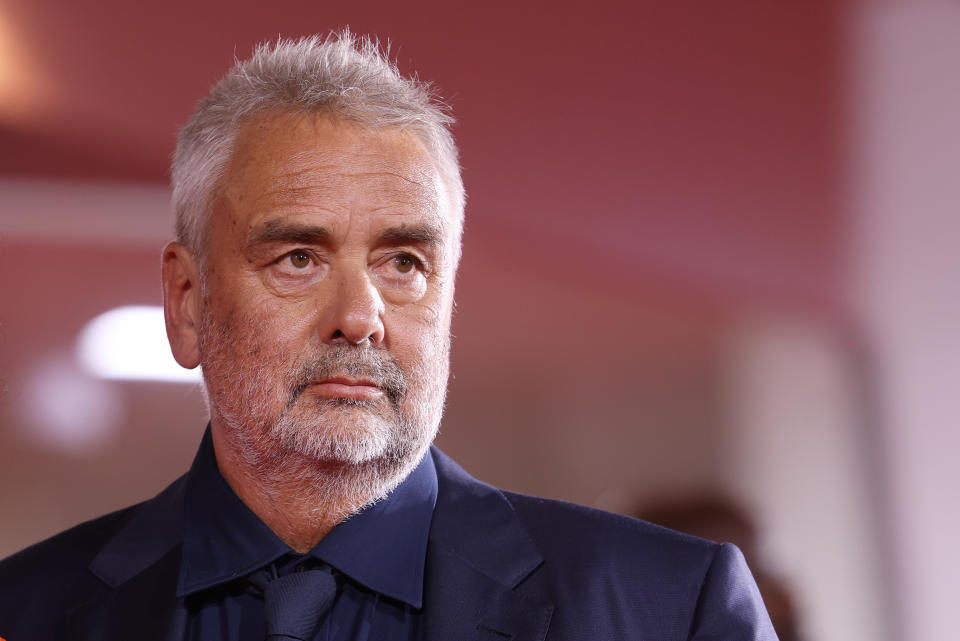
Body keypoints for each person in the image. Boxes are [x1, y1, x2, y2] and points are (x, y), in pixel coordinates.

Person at [0, 31, 777, 640]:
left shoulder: (667, 611)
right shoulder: (28, 610)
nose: (362, 314)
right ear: (187, 301)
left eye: (404, 261)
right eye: (299, 257)